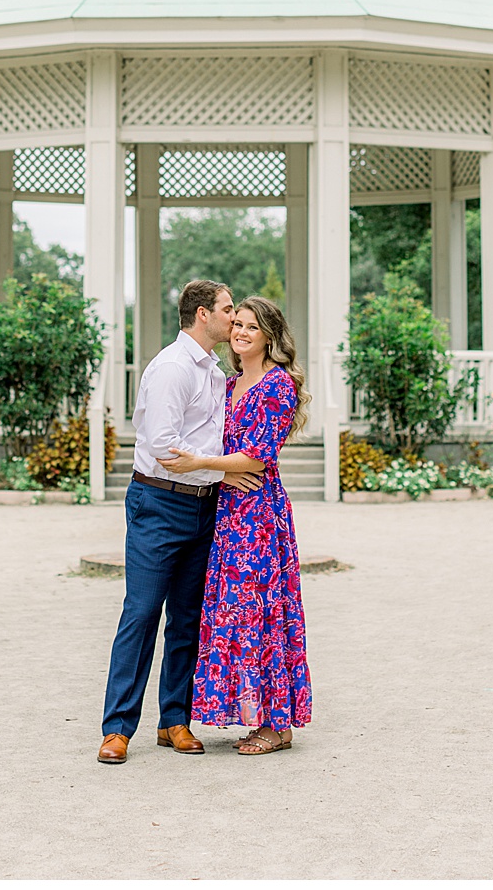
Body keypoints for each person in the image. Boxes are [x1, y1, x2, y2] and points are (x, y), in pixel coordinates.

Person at [98, 279, 264, 764]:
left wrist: (217, 477)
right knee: (142, 613)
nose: (234, 318)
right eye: (228, 309)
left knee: (188, 618)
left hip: (204, 505)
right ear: (202, 314)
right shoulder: (173, 368)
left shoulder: (214, 371)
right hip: (159, 503)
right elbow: (162, 447)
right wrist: (224, 471)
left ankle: (174, 720)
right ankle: (117, 729)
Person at [166, 295, 314, 753]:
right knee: (233, 612)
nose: (242, 332)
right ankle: (257, 717)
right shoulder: (227, 384)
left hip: (259, 516)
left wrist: (200, 464)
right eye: (238, 324)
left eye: (252, 326)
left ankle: (276, 724)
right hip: (226, 512)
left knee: (261, 612)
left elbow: (257, 456)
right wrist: (217, 472)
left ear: (270, 335)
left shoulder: (278, 384)